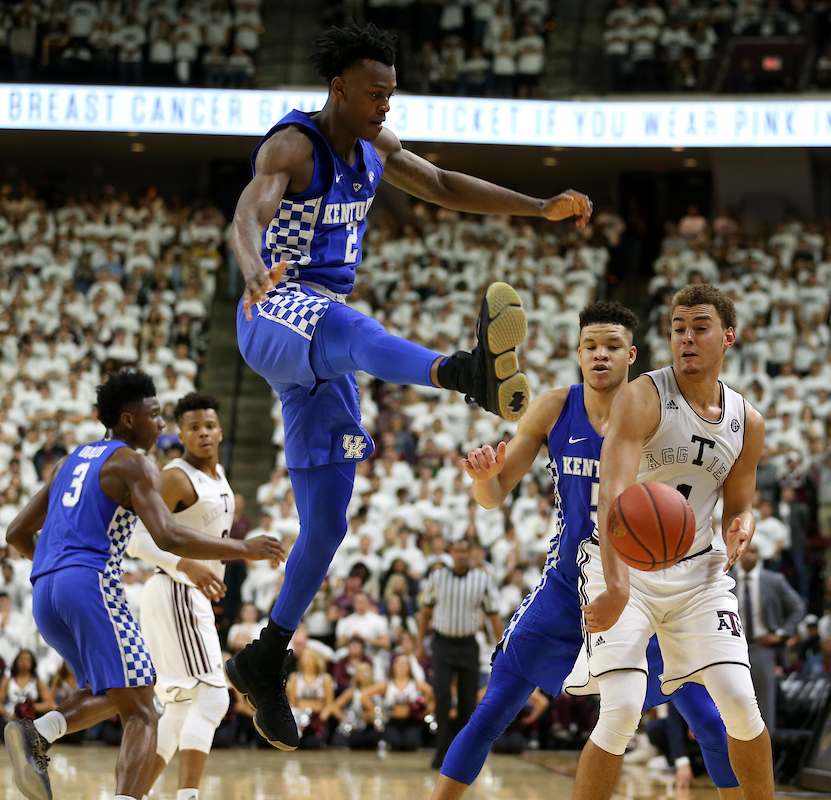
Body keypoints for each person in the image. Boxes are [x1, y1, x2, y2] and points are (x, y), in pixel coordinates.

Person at [224, 22, 592, 752]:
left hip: (317, 351)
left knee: (328, 524)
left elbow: (446, 185)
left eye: (392, 92)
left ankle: (266, 655)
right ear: (338, 88)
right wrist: (250, 266)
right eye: (374, 92)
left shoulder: (376, 148)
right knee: (353, 328)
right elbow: (247, 215)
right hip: (272, 309)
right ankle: (463, 371)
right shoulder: (292, 144)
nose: (386, 104)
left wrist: (539, 207)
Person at [429, 301, 738, 800]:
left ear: (631, 355)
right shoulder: (553, 407)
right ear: (578, 354)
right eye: (591, 346)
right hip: (565, 590)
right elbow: (491, 498)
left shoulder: (662, 412)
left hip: (640, 593)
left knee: (709, 721)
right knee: (491, 713)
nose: (601, 355)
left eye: (613, 346)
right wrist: (484, 481)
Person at [3, 369, 284, 800]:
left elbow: (18, 533)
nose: (161, 424)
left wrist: (57, 568)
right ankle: (54, 746)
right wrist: (244, 548)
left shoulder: (70, 460)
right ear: (129, 420)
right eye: (154, 415)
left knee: (122, 692)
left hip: (45, 591)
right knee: (144, 713)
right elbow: (167, 535)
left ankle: (39, 732)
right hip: (91, 584)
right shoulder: (134, 462)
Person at [564, 284, 772, 800]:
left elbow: (740, 502)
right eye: (678, 328)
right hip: (624, 566)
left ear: (728, 337)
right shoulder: (642, 396)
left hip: (699, 571)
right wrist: (615, 587)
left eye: (700, 327)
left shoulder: (747, 421)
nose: (686, 338)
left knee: (740, 705)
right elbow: (611, 495)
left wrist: (743, 523)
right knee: (621, 709)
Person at [122, 392, 241, 800]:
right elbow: (136, 540)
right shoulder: (175, 477)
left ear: (220, 431)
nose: (204, 433)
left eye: (209, 425)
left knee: (178, 710)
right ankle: (187, 796)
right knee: (212, 699)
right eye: (194, 427)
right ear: (181, 434)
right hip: (175, 588)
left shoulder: (217, 473)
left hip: (184, 595)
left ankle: (127, 797)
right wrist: (185, 565)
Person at [416, 538, 504, 770]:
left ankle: (463, 754)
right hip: (442, 644)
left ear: (472, 553)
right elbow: (425, 612)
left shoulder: (482, 579)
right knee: (443, 697)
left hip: (467, 645)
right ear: (451, 553)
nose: (462, 555)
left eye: (466, 551)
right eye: (457, 551)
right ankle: (441, 750)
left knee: (467, 701)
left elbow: (494, 615)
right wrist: (418, 644)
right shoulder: (437, 577)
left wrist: (501, 646)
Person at [733, 542, 804, 735]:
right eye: (746, 551)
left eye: (754, 551)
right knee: (731, 704)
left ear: (760, 556)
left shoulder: (774, 580)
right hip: (731, 648)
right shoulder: (726, 580)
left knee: (763, 706)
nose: (749, 555)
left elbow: (798, 607)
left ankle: (765, 760)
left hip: (761, 647)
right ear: (738, 553)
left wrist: (780, 634)